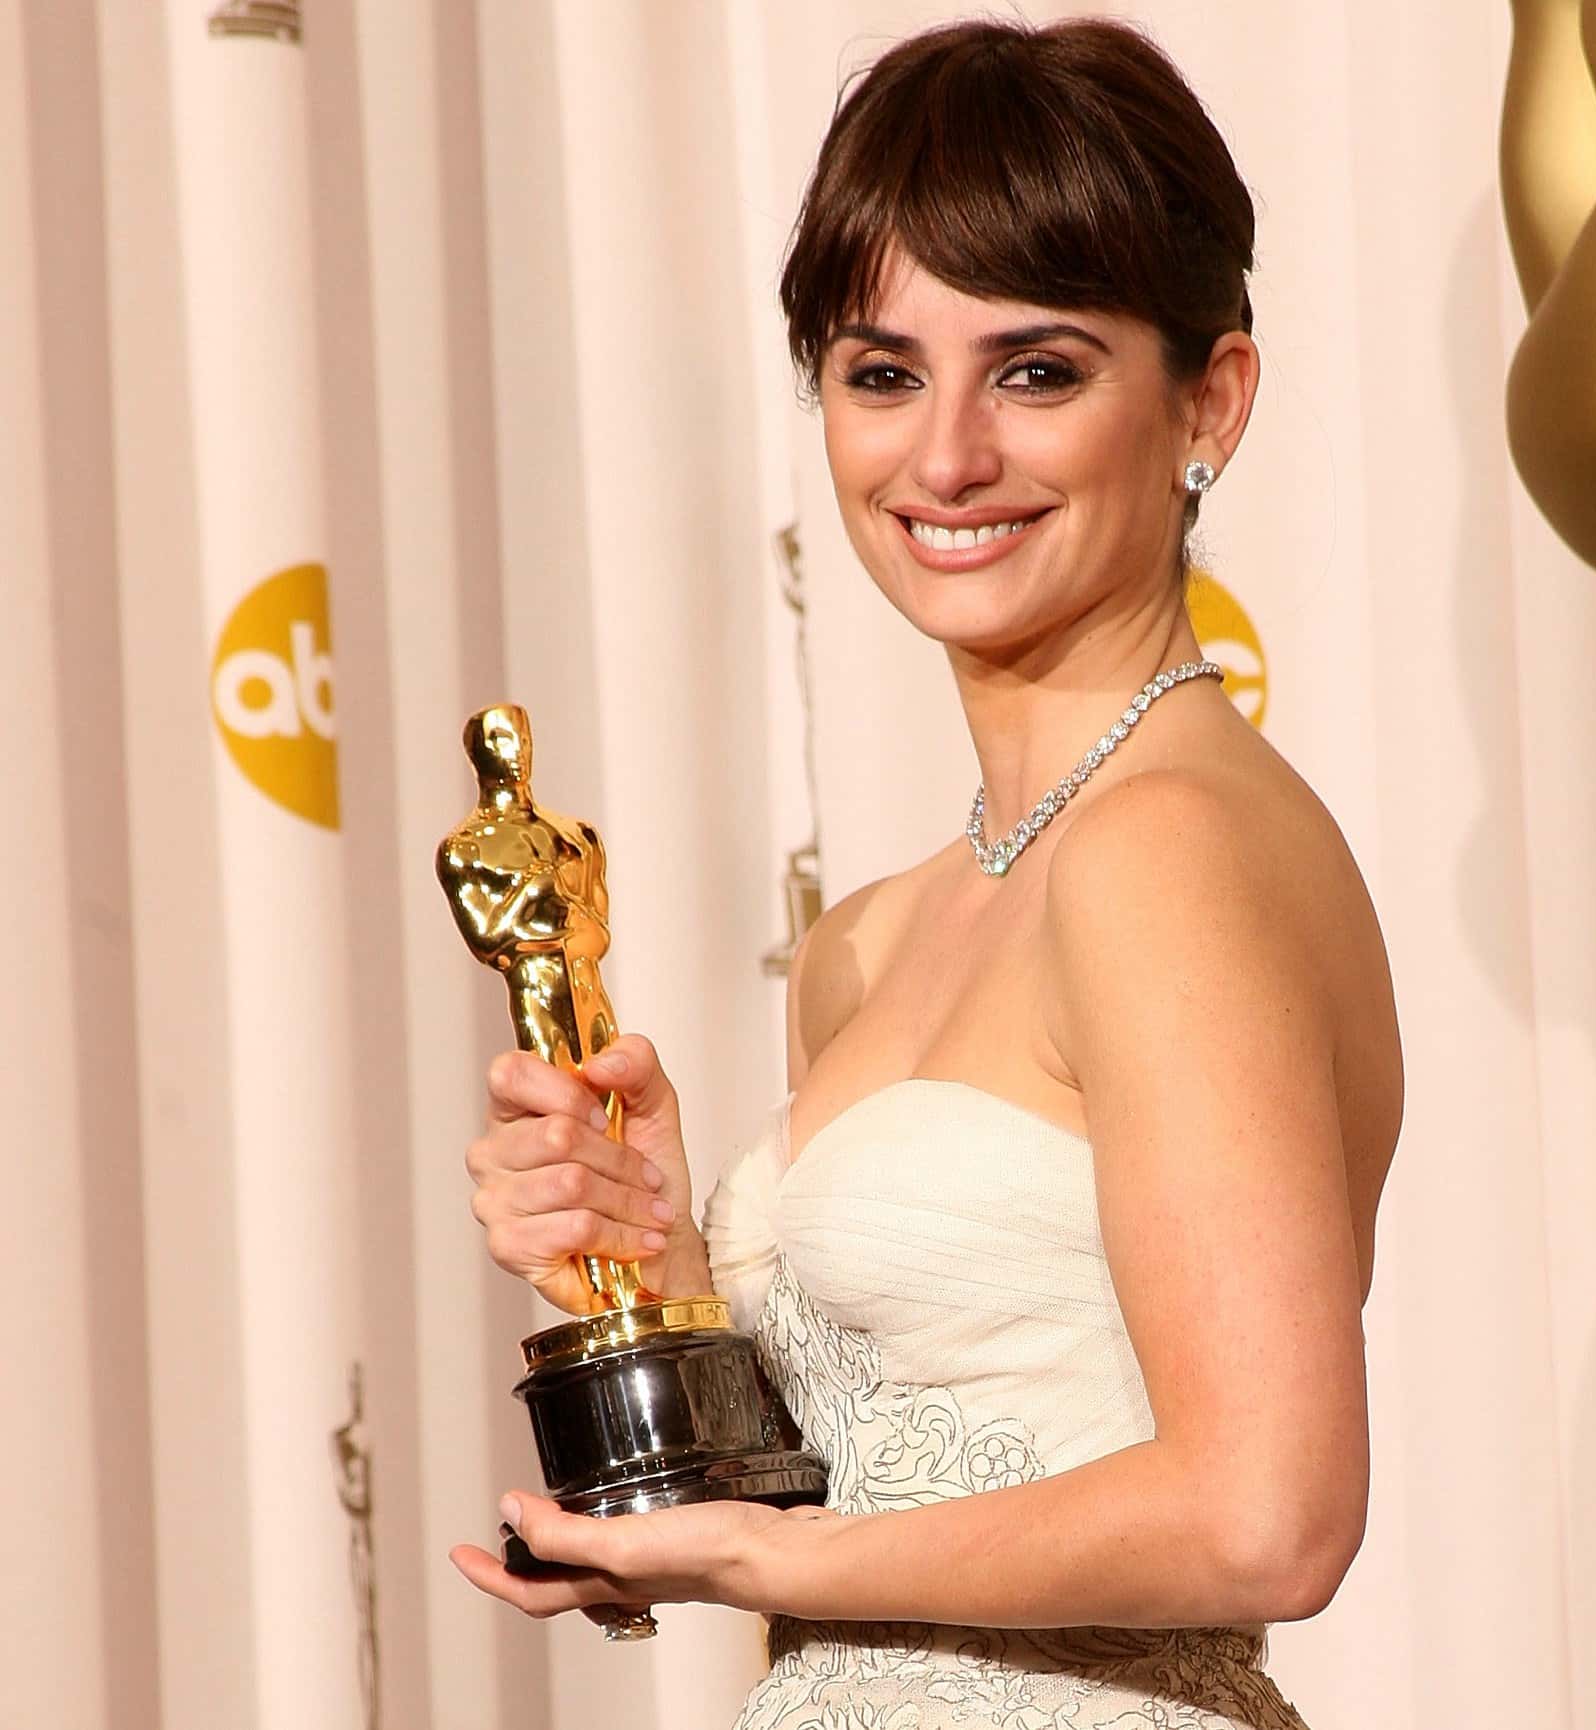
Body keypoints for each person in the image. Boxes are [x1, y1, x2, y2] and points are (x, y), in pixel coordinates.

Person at [453, 18, 1403, 1728]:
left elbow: (1266, 1517)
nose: (945, 457)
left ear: (1210, 399)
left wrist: (747, 1564)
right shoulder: (876, 936)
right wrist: (655, 1277)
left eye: (1035, 370)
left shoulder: (1167, 850)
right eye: (881, 372)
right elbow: (906, 1488)